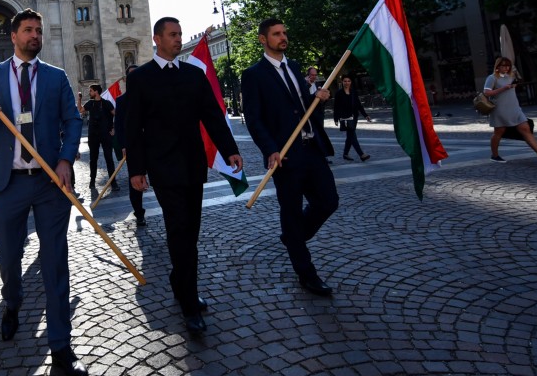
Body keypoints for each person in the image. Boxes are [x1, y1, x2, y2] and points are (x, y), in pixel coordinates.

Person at [0, 8, 88, 376]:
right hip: (8, 184)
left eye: (39, 30)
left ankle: (61, 345)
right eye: (29, 30)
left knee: (55, 261)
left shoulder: (56, 77)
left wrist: (67, 159)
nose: (36, 35)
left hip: (50, 182)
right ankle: (12, 303)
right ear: (14, 35)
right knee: (8, 256)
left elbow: (73, 119)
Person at [124, 17, 243, 335]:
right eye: (172, 35)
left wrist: (230, 149)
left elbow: (212, 115)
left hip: (193, 165)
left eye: (179, 34)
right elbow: (132, 128)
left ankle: (180, 280)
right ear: (157, 39)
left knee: (190, 231)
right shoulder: (142, 79)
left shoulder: (194, 74)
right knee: (178, 230)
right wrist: (136, 169)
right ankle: (189, 304)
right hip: (163, 169)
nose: (178, 40)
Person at [241, 18, 338, 296]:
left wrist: (318, 98)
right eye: (276, 34)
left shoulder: (294, 66)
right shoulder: (254, 74)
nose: (283, 37)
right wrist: (270, 149)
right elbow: (255, 119)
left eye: (284, 32)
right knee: (292, 212)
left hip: (312, 149)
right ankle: (306, 273)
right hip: (284, 157)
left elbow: (301, 107)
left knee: (329, 201)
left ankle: (293, 238)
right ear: (263, 39)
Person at [484, 57, 537, 163]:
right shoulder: (492, 78)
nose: (506, 67)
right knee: (498, 133)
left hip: (515, 108)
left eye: (507, 65)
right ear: (498, 66)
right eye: (503, 65)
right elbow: (487, 92)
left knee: (525, 129)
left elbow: (516, 81)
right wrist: (503, 88)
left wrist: (514, 83)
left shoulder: (510, 76)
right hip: (500, 110)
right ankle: (494, 155)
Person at [113, 64, 145, 227]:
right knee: (136, 182)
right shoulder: (122, 101)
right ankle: (139, 213)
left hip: (152, 146)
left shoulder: (150, 96)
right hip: (133, 147)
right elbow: (118, 126)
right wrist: (123, 145)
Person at [79, 84, 117, 191]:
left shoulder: (106, 103)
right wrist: (79, 99)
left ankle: (113, 182)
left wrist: (114, 127)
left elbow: (116, 114)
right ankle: (92, 182)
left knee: (109, 158)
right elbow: (81, 110)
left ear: (96, 92)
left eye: (91, 91)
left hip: (105, 134)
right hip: (93, 135)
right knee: (93, 159)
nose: (89, 93)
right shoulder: (90, 103)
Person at [333, 75, 371, 162]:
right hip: (345, 117)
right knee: (352, 135)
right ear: (342, 82)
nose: (347, 83)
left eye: (348, 81)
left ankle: (345, 154)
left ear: (351, 82)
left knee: (350, 136)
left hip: (354, 117)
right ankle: (361, 154)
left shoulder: (353, 92)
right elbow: (336, 107)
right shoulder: (339, 93)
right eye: (345, 81)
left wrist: (365, 115)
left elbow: (358, 105)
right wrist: (336, 118)